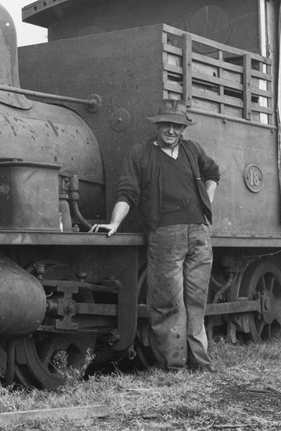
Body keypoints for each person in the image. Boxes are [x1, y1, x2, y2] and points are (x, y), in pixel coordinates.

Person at [91, 98, 220, 373]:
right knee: (168, 303)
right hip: (164, 237)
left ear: (184, 129)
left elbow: (213, 172)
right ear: (157, 126)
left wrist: (205, 205)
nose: (171, 131)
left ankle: (202, 364)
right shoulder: (140, 154)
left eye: (177, 126)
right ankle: (175, 365)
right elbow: (127, 192)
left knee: (196, 300)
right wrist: (114, 223)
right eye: (166, 125)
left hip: (198, 234)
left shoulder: (193, 150)